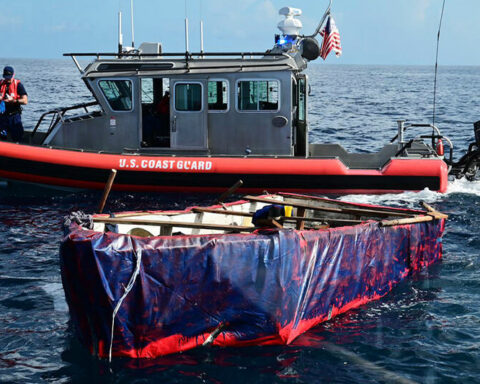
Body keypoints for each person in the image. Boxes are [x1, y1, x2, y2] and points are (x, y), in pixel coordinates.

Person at [0, 66, 28, 141]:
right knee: (2, 137)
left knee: (17, 137)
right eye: (6, 77)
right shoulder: (1, 84)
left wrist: (14, 101)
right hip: (2, 117)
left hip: (14, 116)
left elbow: (25, 101)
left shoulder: (18, 85)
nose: (7, 79)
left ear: (13, 75)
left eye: (9, 77)